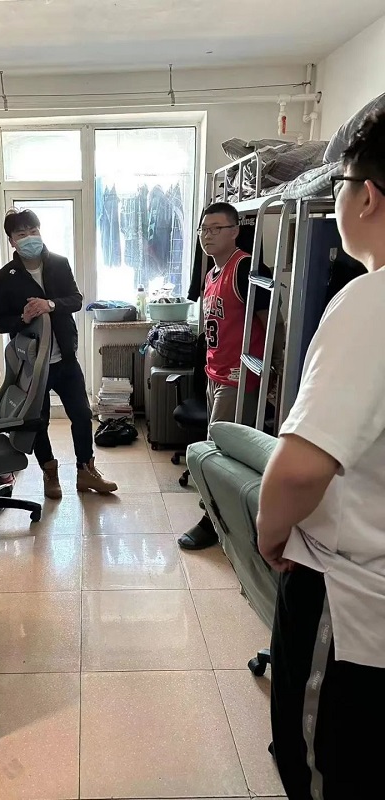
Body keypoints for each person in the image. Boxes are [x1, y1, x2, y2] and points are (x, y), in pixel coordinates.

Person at [257, 110, 385, 799]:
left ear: (367, 198)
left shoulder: (371, 302)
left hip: (354, 607)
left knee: (314, 764)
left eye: (340, 184)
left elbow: (302, 468)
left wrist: (269, 532)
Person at [0, 209, 117, 498]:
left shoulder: (59, 264)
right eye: (22, 234)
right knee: (39, 421)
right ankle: (50, 472)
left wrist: (50, 304)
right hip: (33, 365)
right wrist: (23, 317)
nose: (29, 238)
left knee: (82, 414)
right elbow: (0, 323)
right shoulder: (6, 277)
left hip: (65, 358)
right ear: (12, 241)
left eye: (33, 231)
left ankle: (86, 472)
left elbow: (76, 300)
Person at [178, 202, 272, 550]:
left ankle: (213, 522)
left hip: (237, 376)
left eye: (216, 228)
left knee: (219, 453)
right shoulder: (210, 274)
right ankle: (223, 516)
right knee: (215, 448)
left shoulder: (244, 268)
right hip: (214, 374)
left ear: (235, 231)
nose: (208, 235)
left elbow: (269, 321)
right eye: (204, 229)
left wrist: (271, 367)